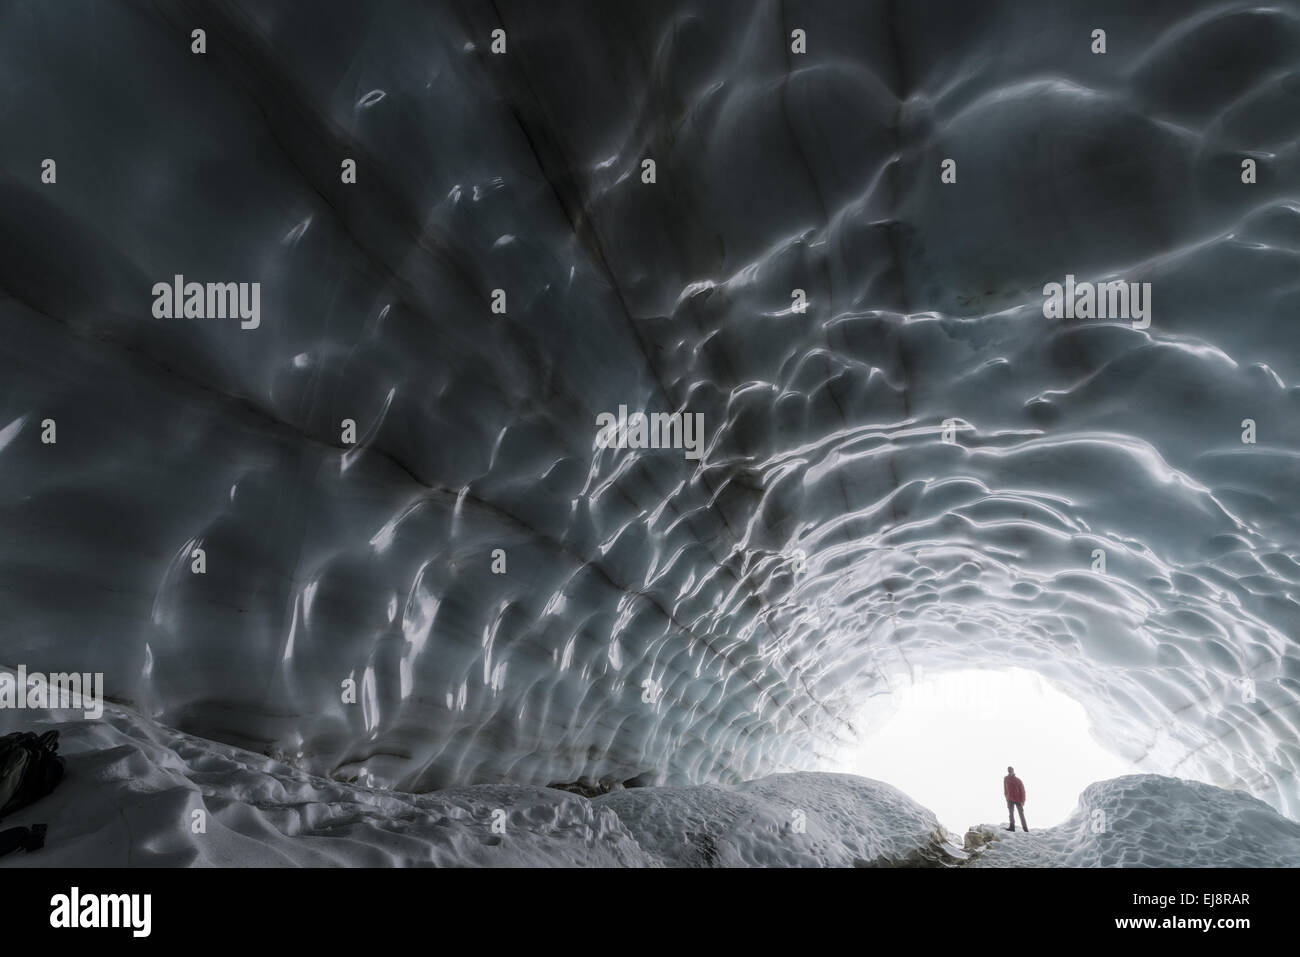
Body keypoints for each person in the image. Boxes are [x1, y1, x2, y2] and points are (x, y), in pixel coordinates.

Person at [1004, 766, 1028, 832]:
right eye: (1008, 770)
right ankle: (1012, 827)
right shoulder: (1006, 778)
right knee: (1011, 814)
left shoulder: (1018, 780)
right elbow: (1005, 789)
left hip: (1018, 800)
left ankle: (1025, 829)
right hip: (1009, 799)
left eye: (1011, 770)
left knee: (1021, 815)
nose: (1009, 771)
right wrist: (1006, 797)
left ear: (1013, 771)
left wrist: (1023, 801)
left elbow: (1022, 791)